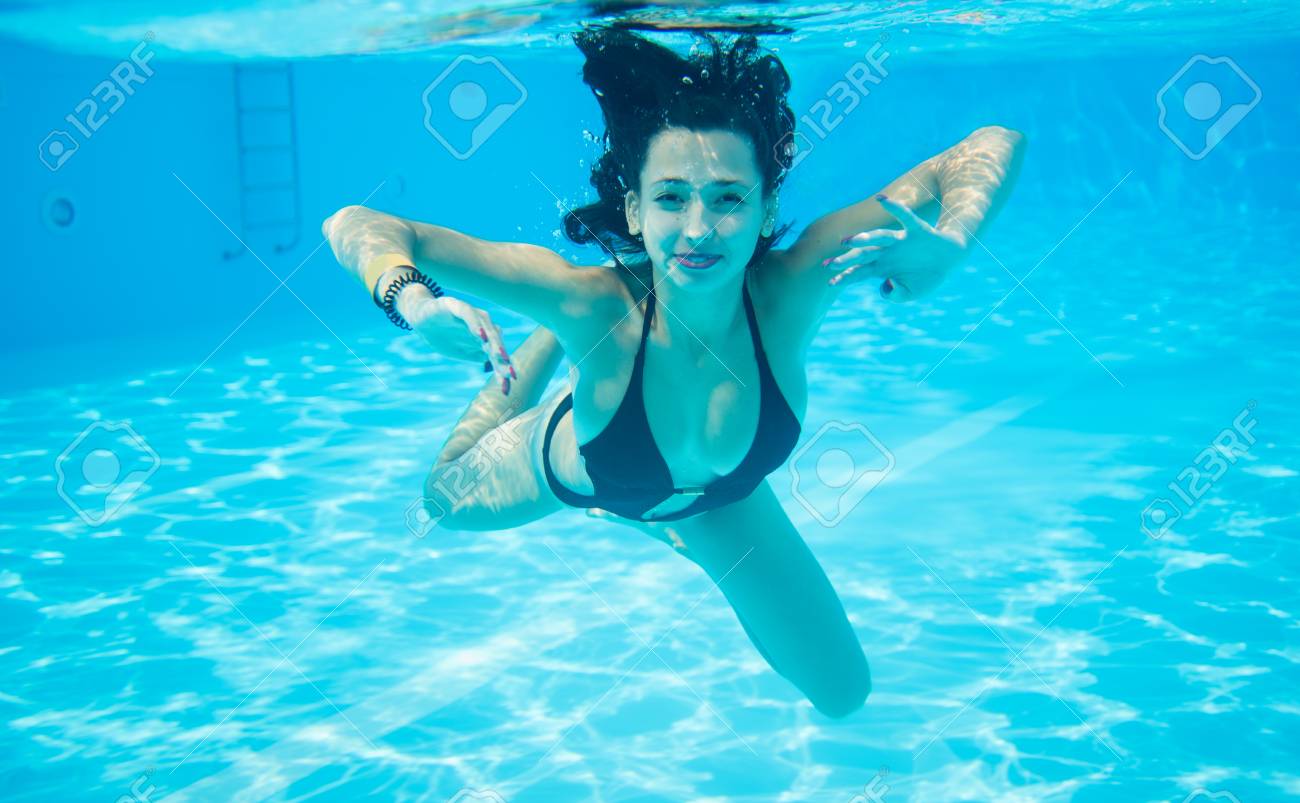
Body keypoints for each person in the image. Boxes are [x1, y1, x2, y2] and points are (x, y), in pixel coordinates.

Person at [323, 28, 1025, 718]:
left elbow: (990, 145)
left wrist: (957, 240)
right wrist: (411, 300)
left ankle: (623, 453)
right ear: (632, 207)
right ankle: (537, 354)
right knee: (442, 499)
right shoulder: (591, 303)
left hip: (719, 504)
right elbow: (355, 221)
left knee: (845, 692)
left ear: (766, 208)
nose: (697, 229)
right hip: (585, 471)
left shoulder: (794, 288)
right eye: (669, 198)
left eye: (727, 198)